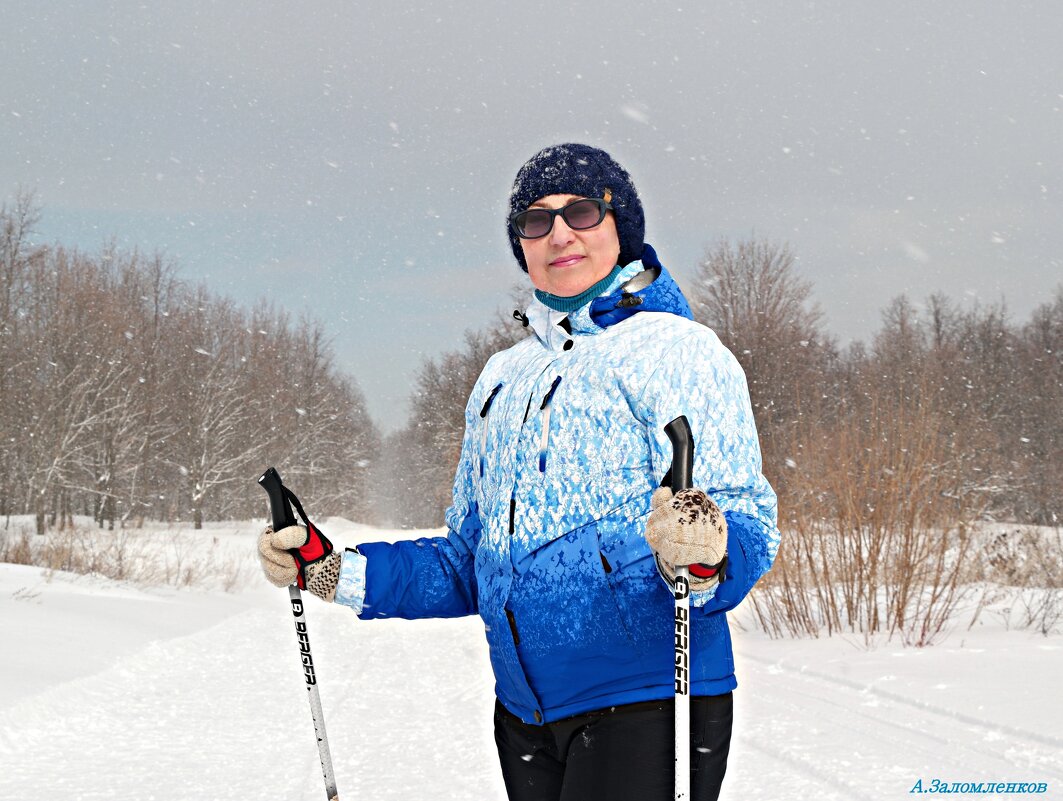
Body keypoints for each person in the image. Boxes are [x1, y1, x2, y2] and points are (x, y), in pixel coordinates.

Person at [258, 143, 780, 800]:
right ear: (520, 245)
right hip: (525, 714)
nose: (559, 232)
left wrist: (707, 552)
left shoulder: (676, 352)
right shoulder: (501, 378)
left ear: (622, 226)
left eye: (581, 211)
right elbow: (466, 560)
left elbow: (745, 519)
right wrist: (330, 567)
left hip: (648, 695)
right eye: (536, 220)